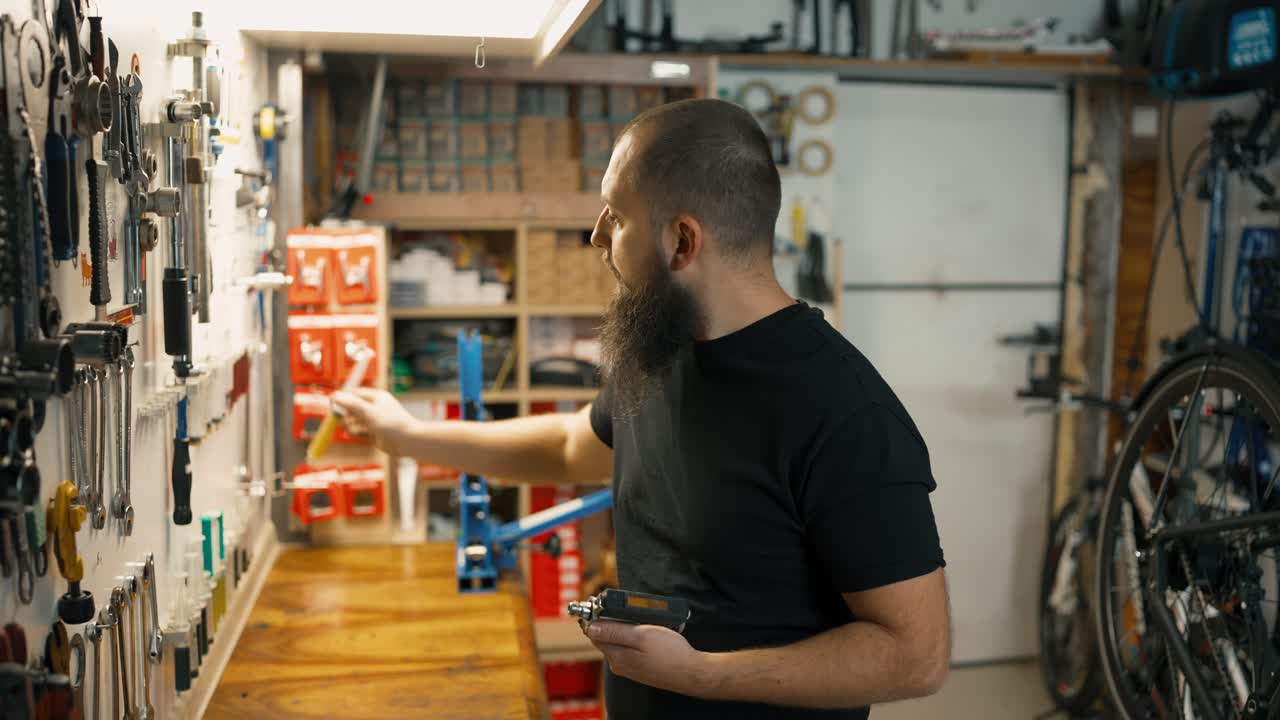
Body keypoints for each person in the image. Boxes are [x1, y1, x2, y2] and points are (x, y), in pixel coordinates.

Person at [333, 98, 950, 719]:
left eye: (617, 216)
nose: (597, 235)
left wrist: (700, 676)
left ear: (682, 241)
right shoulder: (663, 349)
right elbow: (571, 446)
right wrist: (407, 435)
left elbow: (915, 655)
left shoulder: (844, 414)